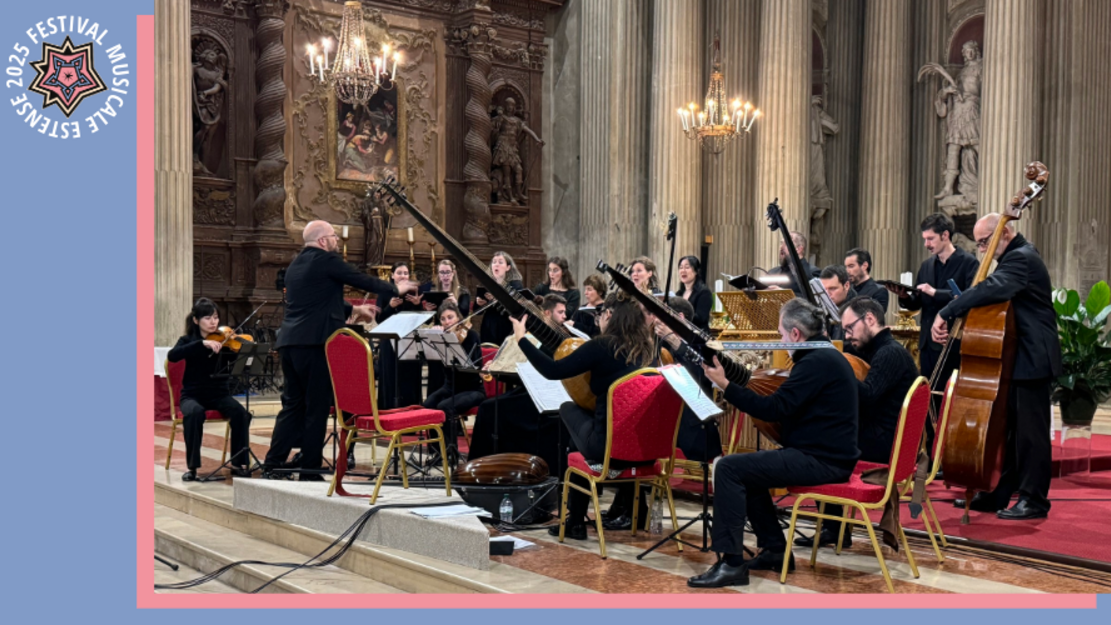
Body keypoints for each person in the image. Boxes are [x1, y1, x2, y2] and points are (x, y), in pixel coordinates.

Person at [687, 299, 859, 588]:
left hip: (824, 461)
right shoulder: (825, 355)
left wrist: (725, 386)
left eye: (780, 334)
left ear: (795, 335)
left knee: (728, 468)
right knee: (747, 472)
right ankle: (775, 551)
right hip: (824, 454)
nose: (780, 340)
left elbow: (773, 409)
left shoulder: (817, 362)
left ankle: (731, 563)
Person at [934, 213, 1061, 520]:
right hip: (1020, 357)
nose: (982, 250)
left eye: (984, 242)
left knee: (1031, 435)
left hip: (1033, 357)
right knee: (1012, 433)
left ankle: (1034, 500)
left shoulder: (1022, 258)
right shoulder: (1015, 257)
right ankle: (999, 494)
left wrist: (948, 310)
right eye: (978, 244)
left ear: (1004, 234)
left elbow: (992, 288)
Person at [510, 295, 657, 541]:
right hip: (643, 449)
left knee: (569, 408)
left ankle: (575, 521)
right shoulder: (647, 351)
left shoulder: (601, 346)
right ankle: (583, 519)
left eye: (601, 316)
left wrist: (522, 339)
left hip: (607, 448)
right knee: (586, 425)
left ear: (609, 316)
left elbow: (553, 370)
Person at [263, 221, 402, 480]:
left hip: (290, 343)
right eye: (333, 236)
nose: (336, 240)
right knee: (316, 407)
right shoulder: (326, 259)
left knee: (292, 406)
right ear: (323, 241)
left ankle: (274, 464)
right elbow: (359, 279)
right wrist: (395, 288)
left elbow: (318, 299)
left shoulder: (295, 266)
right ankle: (309, 470)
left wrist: (354, 310)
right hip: (316, 344)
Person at [794, 297, 918, 548]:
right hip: (885, 438)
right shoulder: (876, 351)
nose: (848, 336)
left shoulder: (890, 354)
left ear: (870, 319)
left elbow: (868, 396)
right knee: (822, 434)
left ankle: (834, 527)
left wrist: (837, 372)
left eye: (850, 328)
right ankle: (834, 527)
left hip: (886, 445)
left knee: (816, 443)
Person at [886, 213, 978, 446]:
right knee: (928, 397)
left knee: (949, 398)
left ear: (945, 236)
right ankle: (929, 449)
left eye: (930, 239)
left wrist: (935, 293)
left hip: (953, 342)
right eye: (924, 239)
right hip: (928, 342)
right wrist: (905, 296)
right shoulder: (927, 266)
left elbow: (970, 296)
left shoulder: (969, 262)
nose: (926, 244)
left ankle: (950, 452)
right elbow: (919, 303)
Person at [466, 294, 574, 474]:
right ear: (547, 314)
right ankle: (483, 468)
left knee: (489, 409)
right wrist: (496, 367)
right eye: (560, 312)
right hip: (528, 390)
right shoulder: (532, 337)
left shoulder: (560, 339)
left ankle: (491, 465)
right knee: (488, 407)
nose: (565, 317)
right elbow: (519, 372)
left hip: (547, 395)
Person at [168, 298, 253, 481]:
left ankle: (238, 463)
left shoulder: (224, 341)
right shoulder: (187, 340)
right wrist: (202, 344)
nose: (213, 322)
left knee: (241, 413)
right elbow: (173, 356)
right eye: (207, 318)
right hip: (192, 395)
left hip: (218, 395)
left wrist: (243, 352)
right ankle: (192, 467)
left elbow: (242, 364)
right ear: (196, 321)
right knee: (195, 413)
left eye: (215, 317)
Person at [421, 302, 483, 465]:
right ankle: (436, 452)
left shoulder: (471, 336)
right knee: (428, 405)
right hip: (450, 387)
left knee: (445, 407)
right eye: (443, 319)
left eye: (450, 317)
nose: (447, 322)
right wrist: (435, 340)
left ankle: (450, 452)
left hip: (472, 389)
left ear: (458, 318)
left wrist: (453, 343)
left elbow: (472, 367)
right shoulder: (440, 338)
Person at [375, 261, 424, 410]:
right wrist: (390, 307)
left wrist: (417, 305)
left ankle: (411, 411)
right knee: (390, 376)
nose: (403, 276)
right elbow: (379, 319)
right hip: (389, 341)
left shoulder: (414, 291)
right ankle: (389, 411)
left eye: (405, 273)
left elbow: (420, 320)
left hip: (409, 340)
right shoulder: (385, 292)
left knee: (409, 376)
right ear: (392, 275)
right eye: (399, 273)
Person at [476, 251, 525, 345]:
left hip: (507, 325)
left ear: (508, 267)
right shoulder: (486, 284)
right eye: (494, 262)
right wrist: (479, 304)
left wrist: (496, 299)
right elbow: (478, 312)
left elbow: (516, 309)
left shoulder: (515, 285)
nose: (496, 265)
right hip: (489, 326)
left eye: (500, 262)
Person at [767, 231, 821, 296]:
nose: (781, 247)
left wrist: (784, 295)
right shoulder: (772, 272)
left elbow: (814, 300)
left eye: (786, 243)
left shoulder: (812, 272)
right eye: (781, 243)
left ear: (798, 249)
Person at [819, 265, 857, 341]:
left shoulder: (857, 311)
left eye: (832, 288)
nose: (827, 293)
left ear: (846, 286)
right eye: (823, 289)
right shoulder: (822, 305)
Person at [675, 255, 712, 331]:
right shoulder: (679, 294)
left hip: (698, 336)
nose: (683, 271)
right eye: (681, 267)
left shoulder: (704, 292)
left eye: (687, 267)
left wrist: (683, 316)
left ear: (696, 271)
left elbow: (701, 318)